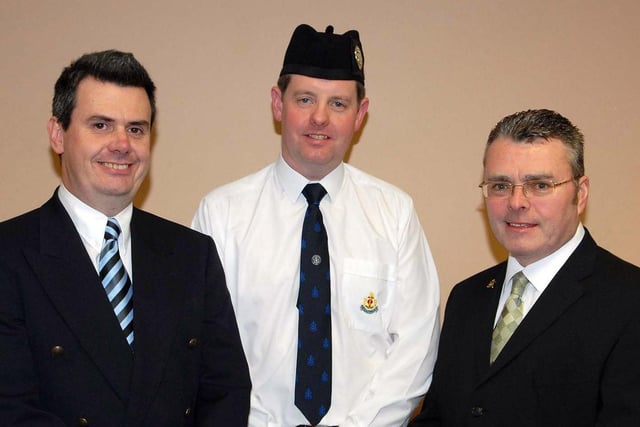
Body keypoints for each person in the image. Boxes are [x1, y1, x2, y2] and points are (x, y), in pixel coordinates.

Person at [192, 24, 440, 427]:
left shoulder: (395, 214)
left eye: (339, 104)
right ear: (278, 103)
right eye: (305, 99)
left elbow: (416, 344)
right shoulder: (220, 215)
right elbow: (205, 348)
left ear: (360, 115)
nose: (320, 118)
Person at [0, 50, 251, 426]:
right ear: (58, 134)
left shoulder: (191, 254)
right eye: (100, 125)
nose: (122, 144)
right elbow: (11, 408)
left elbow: (225, 391)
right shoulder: (9, 254)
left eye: (136, 128)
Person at [410, 109, 640, 426]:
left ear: (580, 193)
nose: (517, 202)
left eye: (540, 185)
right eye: (500, 185)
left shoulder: (629, 300)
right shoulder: (467, 297)